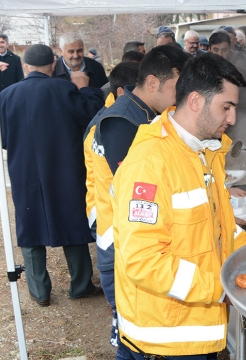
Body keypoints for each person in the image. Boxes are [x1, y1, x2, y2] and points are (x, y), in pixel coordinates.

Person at [112, 53, 246, 359]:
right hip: (164, 342)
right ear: (195, 101)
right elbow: (143, 260)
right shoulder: (150, 164)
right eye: (226, 107)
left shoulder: (205, 154)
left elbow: (221, 228)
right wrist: (221, 287)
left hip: (197, 333)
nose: (232, 119)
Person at [86, 45, 188, 349]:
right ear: (154, 82)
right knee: (131, 338)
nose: (180, 96)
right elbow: (138, 188)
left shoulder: (139, 110)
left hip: (126, 237)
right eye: (177, 88)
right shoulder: (123, 121)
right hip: (119, 242)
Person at [0, 44, 104, 307]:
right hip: (64, 165)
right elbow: (92, 115)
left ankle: (39, 290)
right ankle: (80, 284)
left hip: (24, 167)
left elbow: (2, 138)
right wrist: (83, 87)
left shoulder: (7, 94)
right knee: (72, 219)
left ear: (25, 66)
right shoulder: (64, 88)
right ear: (54, 65)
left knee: (29, 219)